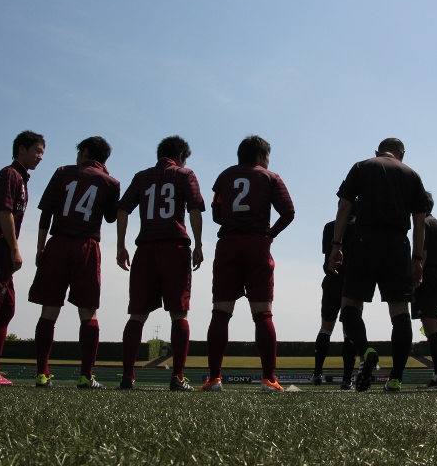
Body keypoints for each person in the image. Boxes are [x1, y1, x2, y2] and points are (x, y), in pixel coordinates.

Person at [329, 138, 428, 393]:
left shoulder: (362, 166)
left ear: (377, 151)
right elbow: (419, 223)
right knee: (400, 312)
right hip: (397, 244)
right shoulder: (412, 174)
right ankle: (395, 378)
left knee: (349, 305)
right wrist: (417, 260)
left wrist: (336, 244)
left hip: (364, 241)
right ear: (401, 154)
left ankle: (367, 351)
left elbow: (344, 207)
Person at [201, 135, 294, 393]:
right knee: (262, 314)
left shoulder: (224, 177)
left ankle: (214, 379)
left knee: (220, 312)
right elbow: (289, 212)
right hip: (257, 244)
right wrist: (270, 234)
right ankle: (268, 379)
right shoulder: (271, 177)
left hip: (228, 244)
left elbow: (217, 214)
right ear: (261, 156)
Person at [29, 137, 120, 389]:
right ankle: (86, 375)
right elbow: (112, 217)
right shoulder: (110, 182)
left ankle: (41, 373)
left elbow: (46, 212)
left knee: (49, 310)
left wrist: (40, 247)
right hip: (87, 246)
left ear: (85, 151)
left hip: (58, 242)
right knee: (88, 311)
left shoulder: (62, 172)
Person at [116, 135, 205, 392]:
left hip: (145, 247)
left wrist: (121, 244)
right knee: (179, 313)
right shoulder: (185, 174)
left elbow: (123, 209)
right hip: (174, 247)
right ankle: (177, 377)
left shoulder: (142, 176)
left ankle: (127, 376)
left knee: (137, 315)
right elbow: (195, 209)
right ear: (180, 156)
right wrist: (198, 244)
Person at [0, 131, 45, 386]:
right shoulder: (9, 174)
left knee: (6, 309)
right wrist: (15, 248)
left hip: (4, 248)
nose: (40, 157)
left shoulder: (22, 179)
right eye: (37, 151)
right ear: (21, 149)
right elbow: (5, 212)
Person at [310, 201, 357, 390]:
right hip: (352, 282)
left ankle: (317, 372)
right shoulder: (359, 228)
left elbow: (326, 254)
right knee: (350, 331)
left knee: (325, 328)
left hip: (332, 279)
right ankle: (347, 379)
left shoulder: (330, 227)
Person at [413, 192, 437, 389]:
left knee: (432, 328)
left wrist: (415, 279)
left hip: (427, 279)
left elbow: (423, 254)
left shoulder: (425, 225)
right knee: (433, 327)